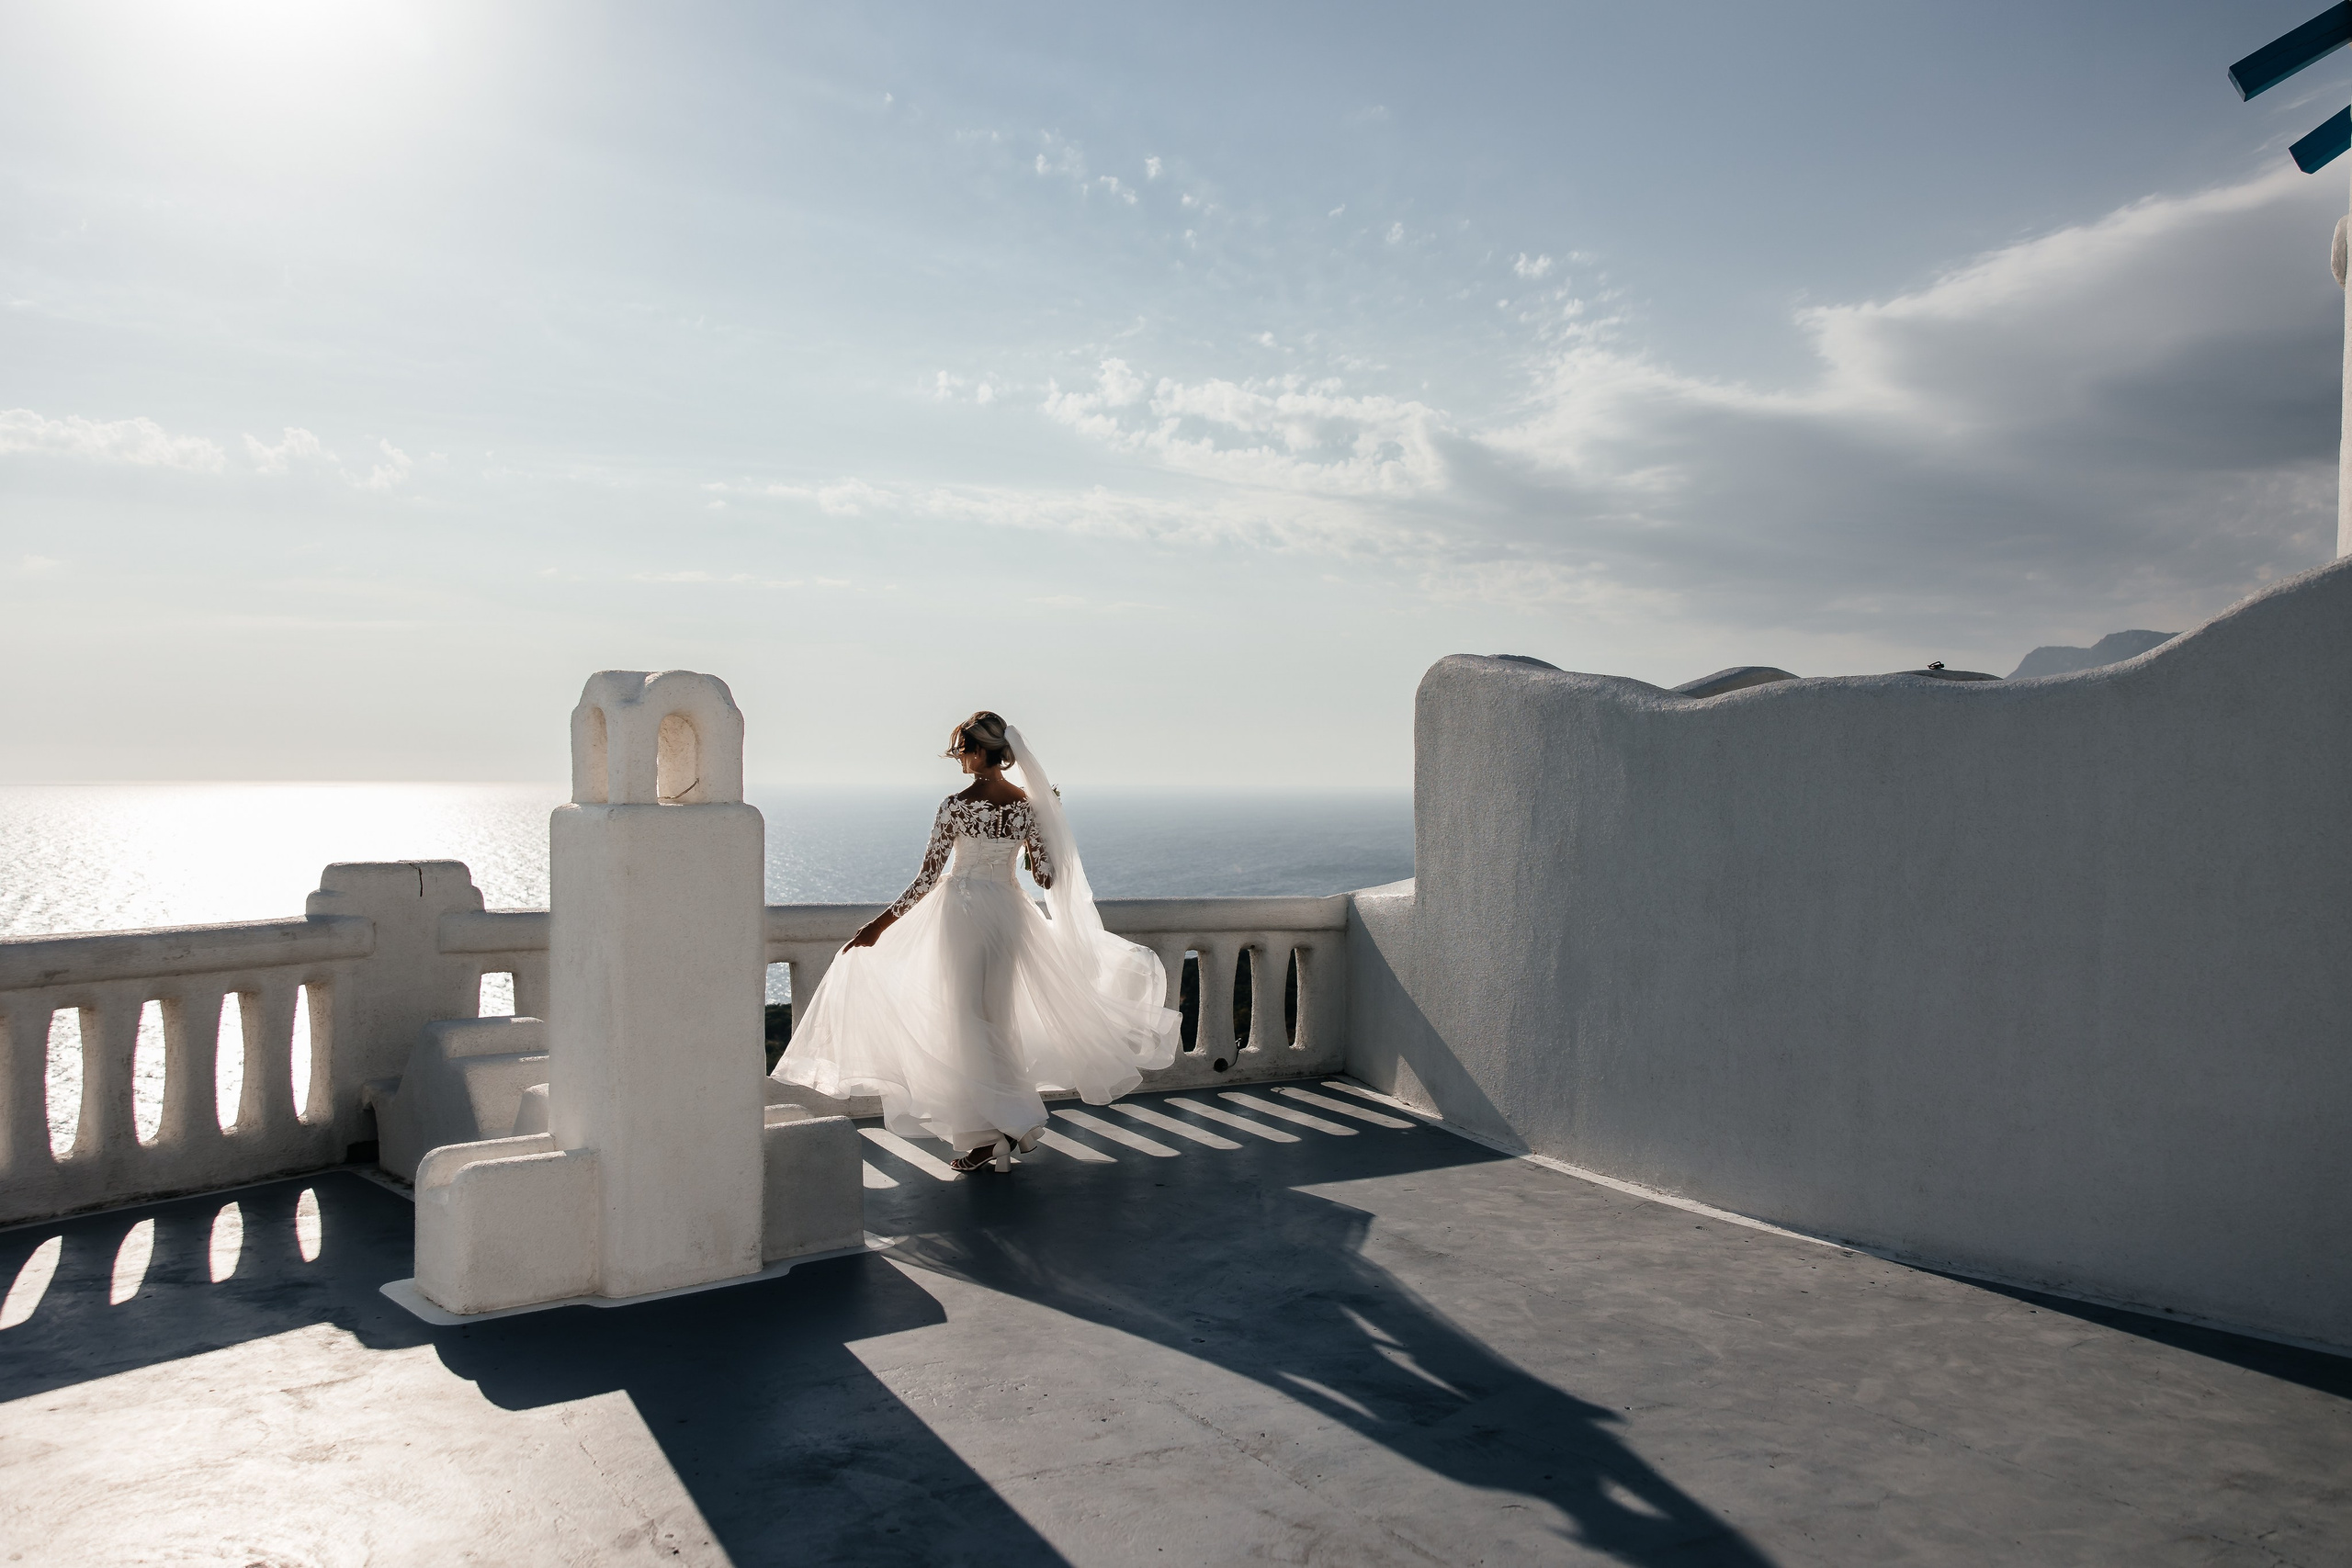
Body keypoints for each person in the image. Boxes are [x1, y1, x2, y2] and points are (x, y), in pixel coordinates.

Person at [772, 711, 1182, 1173]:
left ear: (981, 751)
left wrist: (878, 927)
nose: (959, 759)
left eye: (963, 749)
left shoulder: (956, 805)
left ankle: (997, 1133)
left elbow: (926, 879)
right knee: (994, 1021)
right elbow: (1046, 877)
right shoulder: (1028, 807)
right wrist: (1043, 833)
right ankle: (1003, 1131)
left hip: (961, 918)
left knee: (966, 1024)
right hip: (1010, 919)